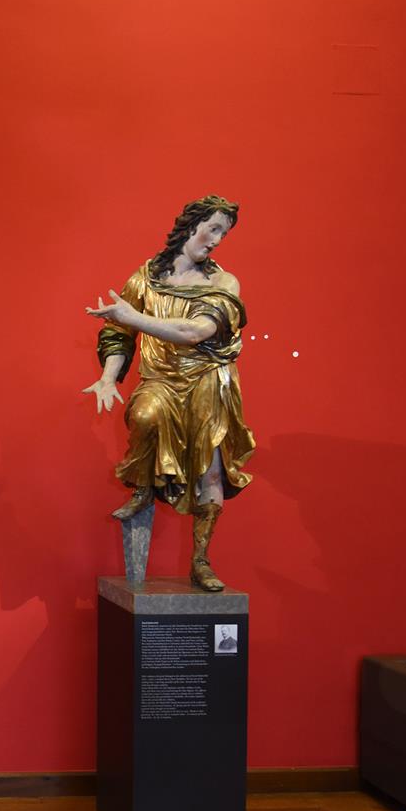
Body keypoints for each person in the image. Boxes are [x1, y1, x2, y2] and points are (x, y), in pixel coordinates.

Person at [84, 195, 255, 591]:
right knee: (144, 416)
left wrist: (133, 317)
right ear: (191, 225)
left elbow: (195, 332)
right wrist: (109, 377)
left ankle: (200, 560)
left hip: (209, 380)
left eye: (224, 233)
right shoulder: (145, 278)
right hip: (159, 379)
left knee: (211, 470)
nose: (217, 240)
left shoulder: (223, 283)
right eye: (213, 228)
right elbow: (118, 330)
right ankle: (144, 488)